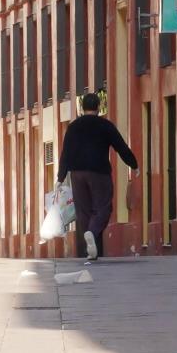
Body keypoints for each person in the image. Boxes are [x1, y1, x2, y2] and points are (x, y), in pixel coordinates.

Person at [56, 92, 139, 261]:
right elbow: (121, 147)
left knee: (83, 210)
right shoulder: (105, 126)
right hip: (99, 172)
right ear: (98, 107)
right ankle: (92, 234)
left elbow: (66, 153)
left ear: (82, 108)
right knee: (103, 207)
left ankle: (90, 250)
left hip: (77, 173)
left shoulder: (73, 127)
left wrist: (60, 177)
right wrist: (133, 164)